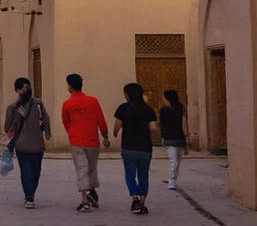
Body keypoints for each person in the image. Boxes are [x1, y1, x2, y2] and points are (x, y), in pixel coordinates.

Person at [61, 73, 110, 213]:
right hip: (93, 140)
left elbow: (66, 122)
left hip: (77, 141)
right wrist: (105, 136)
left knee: (81, 169)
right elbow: (101, 121)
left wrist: (72, 132)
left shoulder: (67, 104)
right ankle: (92, 191)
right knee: (92, 168)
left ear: (70, 86)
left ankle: (85, 201)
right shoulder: (93, 101)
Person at [4, 77, 52, 209]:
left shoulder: (38, 103)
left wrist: (47, 132)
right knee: (26, 171)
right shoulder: (13, 107)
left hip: (37, 144)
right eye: (24, 88)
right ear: (17, 90)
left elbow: (45, 118)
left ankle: (30, 193)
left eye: (28, 87)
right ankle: (29, 196)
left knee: (36, 171)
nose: (27, 90)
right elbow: (7, 127)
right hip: (22, 145)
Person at [114, 82, 158, 214]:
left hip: (129, 146)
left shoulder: (123, 108)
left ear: (127, 94)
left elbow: (117, 125)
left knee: (130, 174)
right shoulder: (148, 109)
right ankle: (142, 203)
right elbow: (153, 127)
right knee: (143, 175)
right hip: (145, 147)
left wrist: (115, 133)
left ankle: (135, 199)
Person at [160, 90, 189, 190]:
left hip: (178, 139)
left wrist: (186, 141)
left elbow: (184, 125)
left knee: (177, 161)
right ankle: (172, 180)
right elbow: (162, 125)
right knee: (174, 160)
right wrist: (163, 137)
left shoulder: (179, 109)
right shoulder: (164, 110)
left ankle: (173, 178)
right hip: (170, 139)